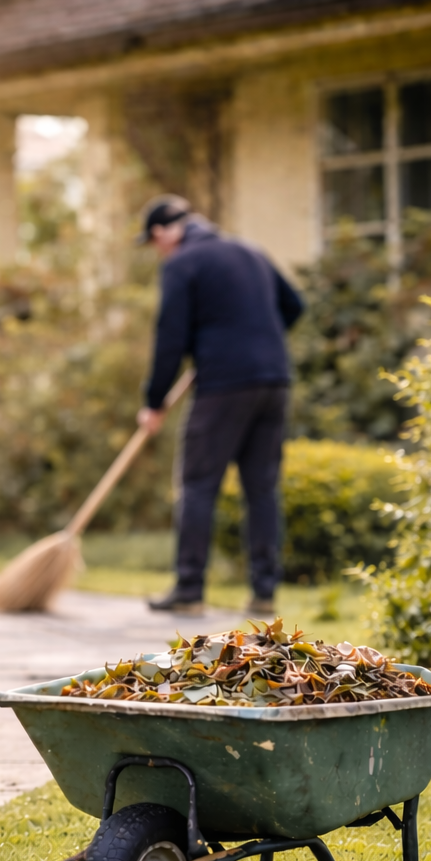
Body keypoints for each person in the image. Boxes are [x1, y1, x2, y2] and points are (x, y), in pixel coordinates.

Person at [134, 194, 304, 617]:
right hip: (274, 379)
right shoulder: (249, 250)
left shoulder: (182, 263)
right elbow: (294, 306)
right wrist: (253, 337)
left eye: (154, 244)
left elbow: (169, 339)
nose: (158, 252)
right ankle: (264, 593)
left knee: (197, 484)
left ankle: (189, 590)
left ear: (161, 234)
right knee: (262, 488)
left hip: (225, 385)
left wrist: (154, 402)